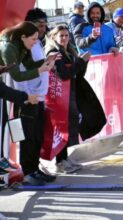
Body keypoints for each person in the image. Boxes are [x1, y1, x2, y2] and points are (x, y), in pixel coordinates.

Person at [0, 21, 55, 186]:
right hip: (17, 96)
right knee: (26, 136)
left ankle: (34, 169)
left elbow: (29, 64)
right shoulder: (8, 48)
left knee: (37, 134)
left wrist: (45, 62)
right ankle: (28, 172)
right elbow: (17, 75)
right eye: (33, 39)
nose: (36, 42)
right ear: (23, 36)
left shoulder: (23, 46)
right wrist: (41, 70)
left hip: (28, 95)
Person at [45, 25, 106, 174]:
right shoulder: (54, 52)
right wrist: (80, 61)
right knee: (61, 127)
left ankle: (64, 159)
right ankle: (60, 161)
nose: (65, 38)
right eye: (61, 36)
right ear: (54, 37)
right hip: (59, 96)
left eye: (66, 35)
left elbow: (77, 73)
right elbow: (64, 74)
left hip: (69, 93)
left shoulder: (68, 50)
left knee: (68, 126)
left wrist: (83, 62)